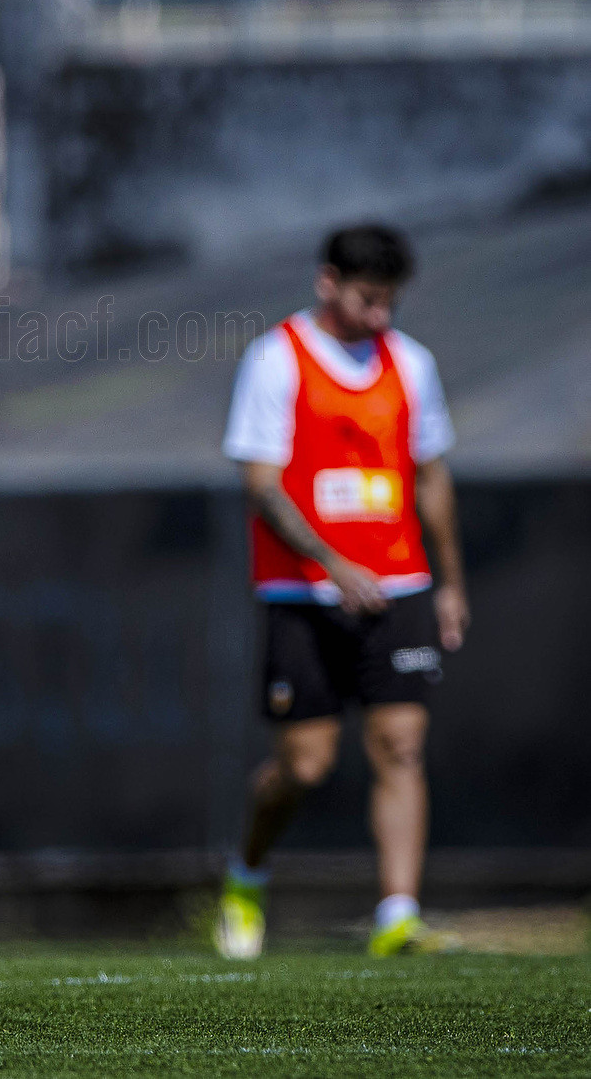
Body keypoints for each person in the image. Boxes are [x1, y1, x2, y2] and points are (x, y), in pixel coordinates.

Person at [215, 224, 468, 959]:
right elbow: (262, 486)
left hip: (399, 586)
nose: (380, 315)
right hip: (301, 594)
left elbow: (432, 476)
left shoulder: (411, 363)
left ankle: (398, 915)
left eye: (390, 301)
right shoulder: (276, 358)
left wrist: (450, 582)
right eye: (366, 298)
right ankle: (246, 874)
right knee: (306, 765)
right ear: (328, 283)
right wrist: (333, 564)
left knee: (401, 744)